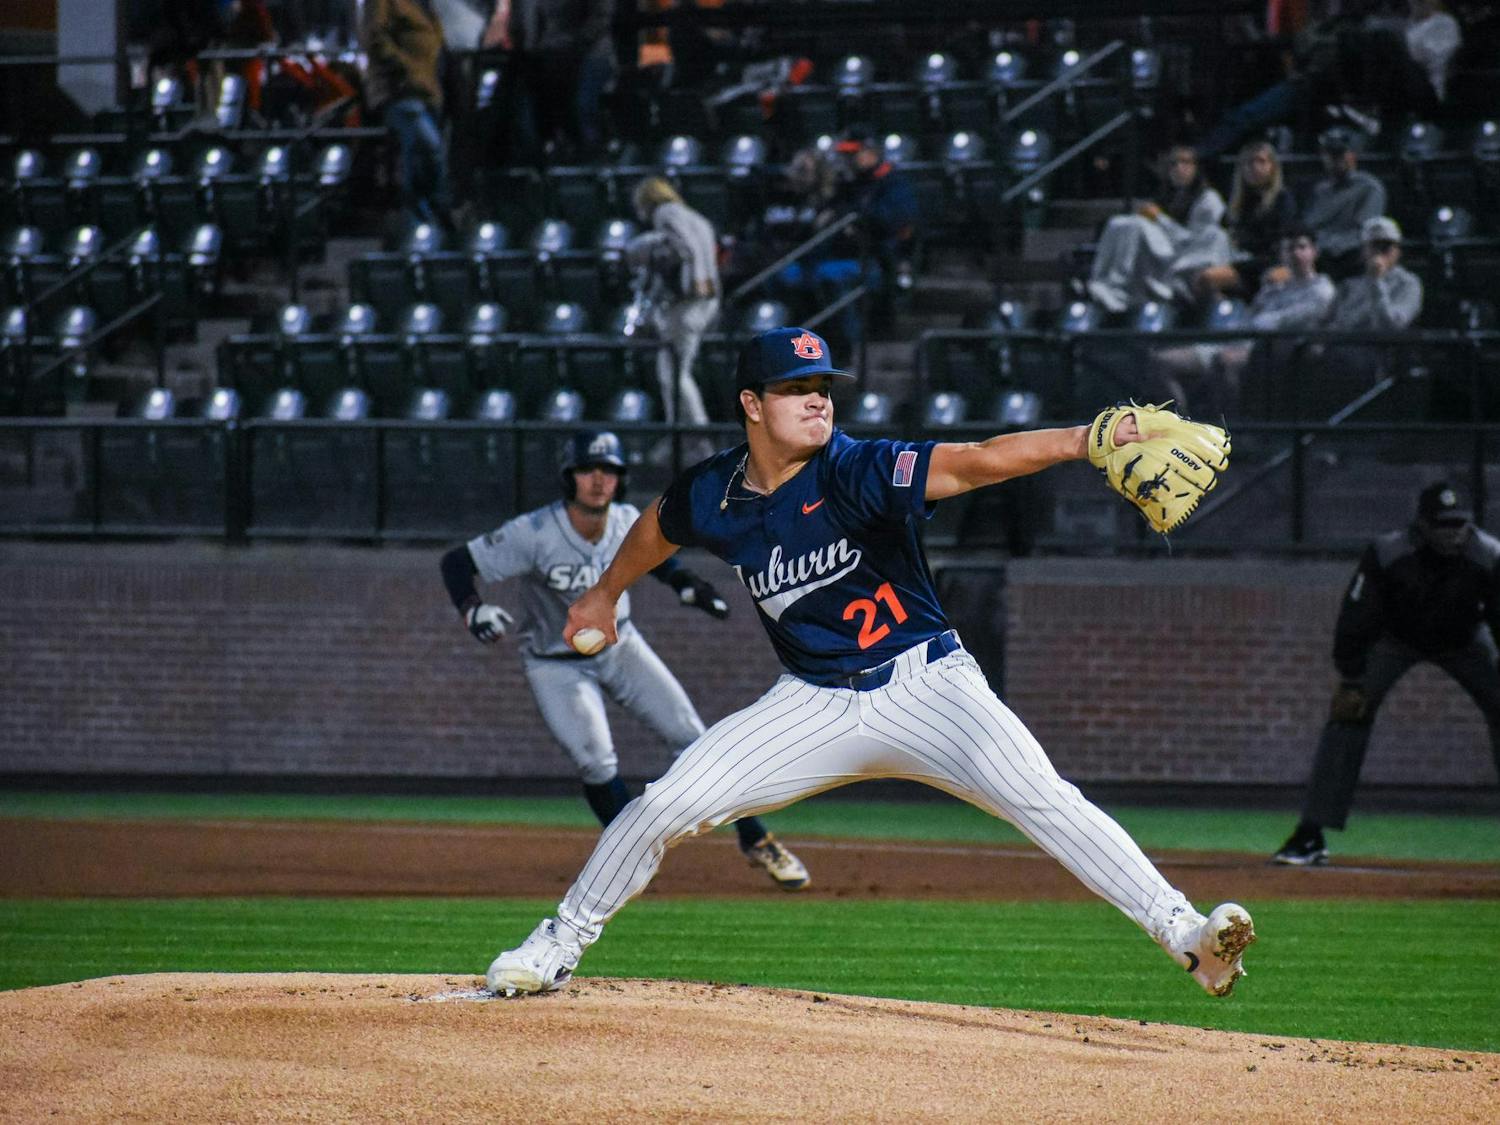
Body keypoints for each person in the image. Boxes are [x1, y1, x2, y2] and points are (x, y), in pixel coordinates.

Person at [483, 327, 1256, 1000]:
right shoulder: (714, 491)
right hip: (812, 702)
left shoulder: (856, 468)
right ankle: (557, 943)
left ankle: (1188, 935)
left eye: (824, 386)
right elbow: (659, 524)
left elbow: (977, 459)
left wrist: (1089, 439)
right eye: (796, 388)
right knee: (660, 805)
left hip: (927, 684)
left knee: (1045, 799)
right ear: (752, 404)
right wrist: (602, 594)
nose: (818, 400)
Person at [439, 429, 811, 891]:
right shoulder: (534, 532)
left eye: (609, 471)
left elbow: (661, 560)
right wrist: (472, 608)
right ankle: (627, 856)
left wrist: (687, 586)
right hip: (555, 662)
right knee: (596, 760)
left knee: (694, 737)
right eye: (588, 470)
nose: (599, 480)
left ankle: (757, 841)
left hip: (621, 647)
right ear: (568, 477)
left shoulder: (624, 520)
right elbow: (457, 563)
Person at [1274, 481, 1500, 865]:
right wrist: (1351, 674)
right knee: (1347, 715)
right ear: (1422, 525)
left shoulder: (1489, 556)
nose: (1453, 533)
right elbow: (1358, 616)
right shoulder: (1390, 552)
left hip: (1465, 639)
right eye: (1443, 524)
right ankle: (1310, 834)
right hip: (1397, 638)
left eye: (1459, 524)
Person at [1154, 226, 1335, 418]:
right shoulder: (1276, 285)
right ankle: (1183, 424)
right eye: (1289, 249)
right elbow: (1252, 314)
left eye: (1301, 247)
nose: (1295, 254)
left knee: (1225, 361)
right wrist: (1267, 289)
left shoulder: (1321, 291)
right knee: (1163, 362)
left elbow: (1273, 324)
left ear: (1314, 251)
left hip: (1273, 351)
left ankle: (1231, 432)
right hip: (1238, 341)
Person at [778, 126, 918, 352]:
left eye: (854, 153)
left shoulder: (893, 182)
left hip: (875, 259)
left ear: (871, 152)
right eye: (845, 153)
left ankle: (848, 347)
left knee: (829, 276)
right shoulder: (848, 185)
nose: (848, 158)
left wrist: (858, 219)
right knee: (788, 275)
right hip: (836, 254)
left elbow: (895, 223)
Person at [1085, 145, 1231, 315]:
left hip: (1192, 255)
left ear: (1196, 168)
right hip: (1167, 249)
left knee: (1136, 226)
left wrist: (1159, 219)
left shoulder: (1208, 199)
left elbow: (1198, 240)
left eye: (1185, 163)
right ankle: (1102, 282)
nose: (1179, 168)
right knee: (1119, 223)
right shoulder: (1168, 196)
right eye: (1173, 164)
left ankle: (1119, 287)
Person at [625, 177, 720, 433]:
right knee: (673, 373)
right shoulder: (696, 217)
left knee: (674, 375)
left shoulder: (666, 214)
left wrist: (679, 288)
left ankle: (696, 437)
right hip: (705, 302)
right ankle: (678, 435)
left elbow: (684, 251)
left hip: (687, 304)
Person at [360, 0, 454, 231]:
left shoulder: (425, 5)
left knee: (418, 158)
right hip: (401, 90)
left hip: (429, 89)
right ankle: (433, 215)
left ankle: (422, 226)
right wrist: (405, 68)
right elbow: (375, 35)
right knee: (428, 148)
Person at [482, 0, 616, 160]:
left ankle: (592, 156)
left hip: (585, 54)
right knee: (524, 105)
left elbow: (601, 17)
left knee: (581, 105)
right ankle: (539, 156)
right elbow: (521, 21)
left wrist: (575, 43)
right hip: (539, 56)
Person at [1195, 141, 1299, 300]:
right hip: (1236, 260)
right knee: (1201, 274)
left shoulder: (1282, 199)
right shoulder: (1237, 202)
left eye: (1261, 161)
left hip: (1265, 264)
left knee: (1209, 277)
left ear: (1273, 166)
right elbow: (1224, 230)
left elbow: (1281, 242)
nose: (1255, 167)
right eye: (1249, 163)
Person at [1301, 127, 1386, 280]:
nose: (1334, 160)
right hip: (1319, 257)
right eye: (1329, 154)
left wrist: (1325, 246)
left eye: (1339, 154)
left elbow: (1363, 231)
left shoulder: (1369, 187)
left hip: (1351, 260)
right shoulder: (1320, 190)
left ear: (1352, 155)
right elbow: (1310, 226)